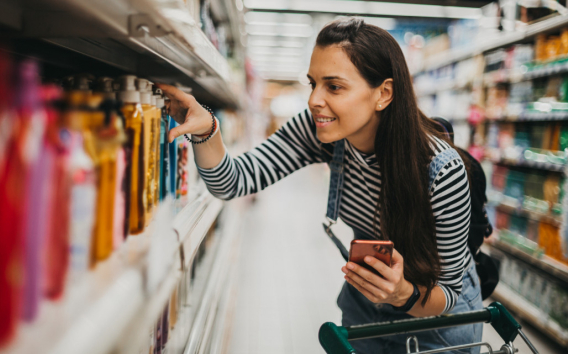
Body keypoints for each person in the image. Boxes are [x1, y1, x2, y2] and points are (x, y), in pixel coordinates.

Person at [157, 17, 482, 354]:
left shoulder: (441, 170)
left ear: (383, 93)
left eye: (334, 86)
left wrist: (402, 293)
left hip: (433, 320)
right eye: (313, 83)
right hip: (367, 303)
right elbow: (233, 181)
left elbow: (448, 293)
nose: (314, 99)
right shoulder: (318, 129)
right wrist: (207, 127)